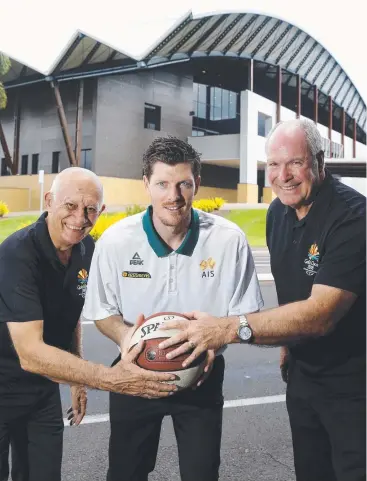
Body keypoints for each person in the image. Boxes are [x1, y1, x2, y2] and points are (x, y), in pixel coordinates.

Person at [160, 119, 366, 481]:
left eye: (295, 163)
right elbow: (292, 290)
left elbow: (321, 315)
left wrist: (227, 329)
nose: (283, 175)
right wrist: (285, 344)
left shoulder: (353, 217)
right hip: (303, 377)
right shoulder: (277, 214)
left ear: (319, 161)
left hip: (354, 384)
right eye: (273, 164)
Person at [82, 136, 263, 481]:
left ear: (197, 184)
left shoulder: (229, 240)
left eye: (184, 184)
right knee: (125, 472)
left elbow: (247, 316)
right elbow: (102, 310)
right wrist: (126, 338)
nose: (173, 196)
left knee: (201, 473)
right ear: (146, 184)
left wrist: (216, 339)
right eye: (163, 183)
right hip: (135, 372)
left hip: (201, 375)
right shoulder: (115, 241)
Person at [0, 167, 177, 481]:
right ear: (49, 200)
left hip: (42, 391)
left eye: (90, 209)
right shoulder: (17, 254)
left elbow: (72, 316)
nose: (80, 218)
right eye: (70, 206)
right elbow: (29, 352)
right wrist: (108, 379)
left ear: (101, 211)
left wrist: (77, 379)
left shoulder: (88, 250)